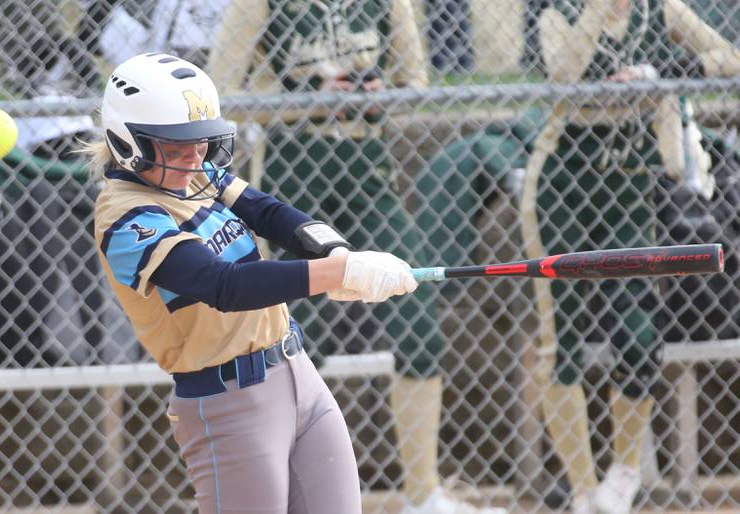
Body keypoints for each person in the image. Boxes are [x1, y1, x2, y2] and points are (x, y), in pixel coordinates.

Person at [424, 1, 740, 513]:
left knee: (638, 331)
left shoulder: (657, 9)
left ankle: (625, 471)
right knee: (561, 338)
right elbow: (566, 74)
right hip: (562, 188)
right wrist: (596, 14)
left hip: (630, 189)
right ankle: (583, 489)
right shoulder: (560, 11)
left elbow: (728, 57)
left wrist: (658, 72)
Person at [84, 52, 419, 514]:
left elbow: (270, 213)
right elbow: (224, 285)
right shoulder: (125, 214)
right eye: (176, 145)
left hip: (299, 374)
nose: (194, 154)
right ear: (129, 142)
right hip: (229, 403)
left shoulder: (194, 172)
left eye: (200, 141)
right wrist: (334, 275)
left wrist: (338, 253)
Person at [207, 3, 506, 513]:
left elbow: (415, 87)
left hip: (368, 174)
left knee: (418, 319)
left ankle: (423, 493)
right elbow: (218, 96)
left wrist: (373, 93)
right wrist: (312, 99)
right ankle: (285, 491)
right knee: (293, 338)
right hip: (294, 177)